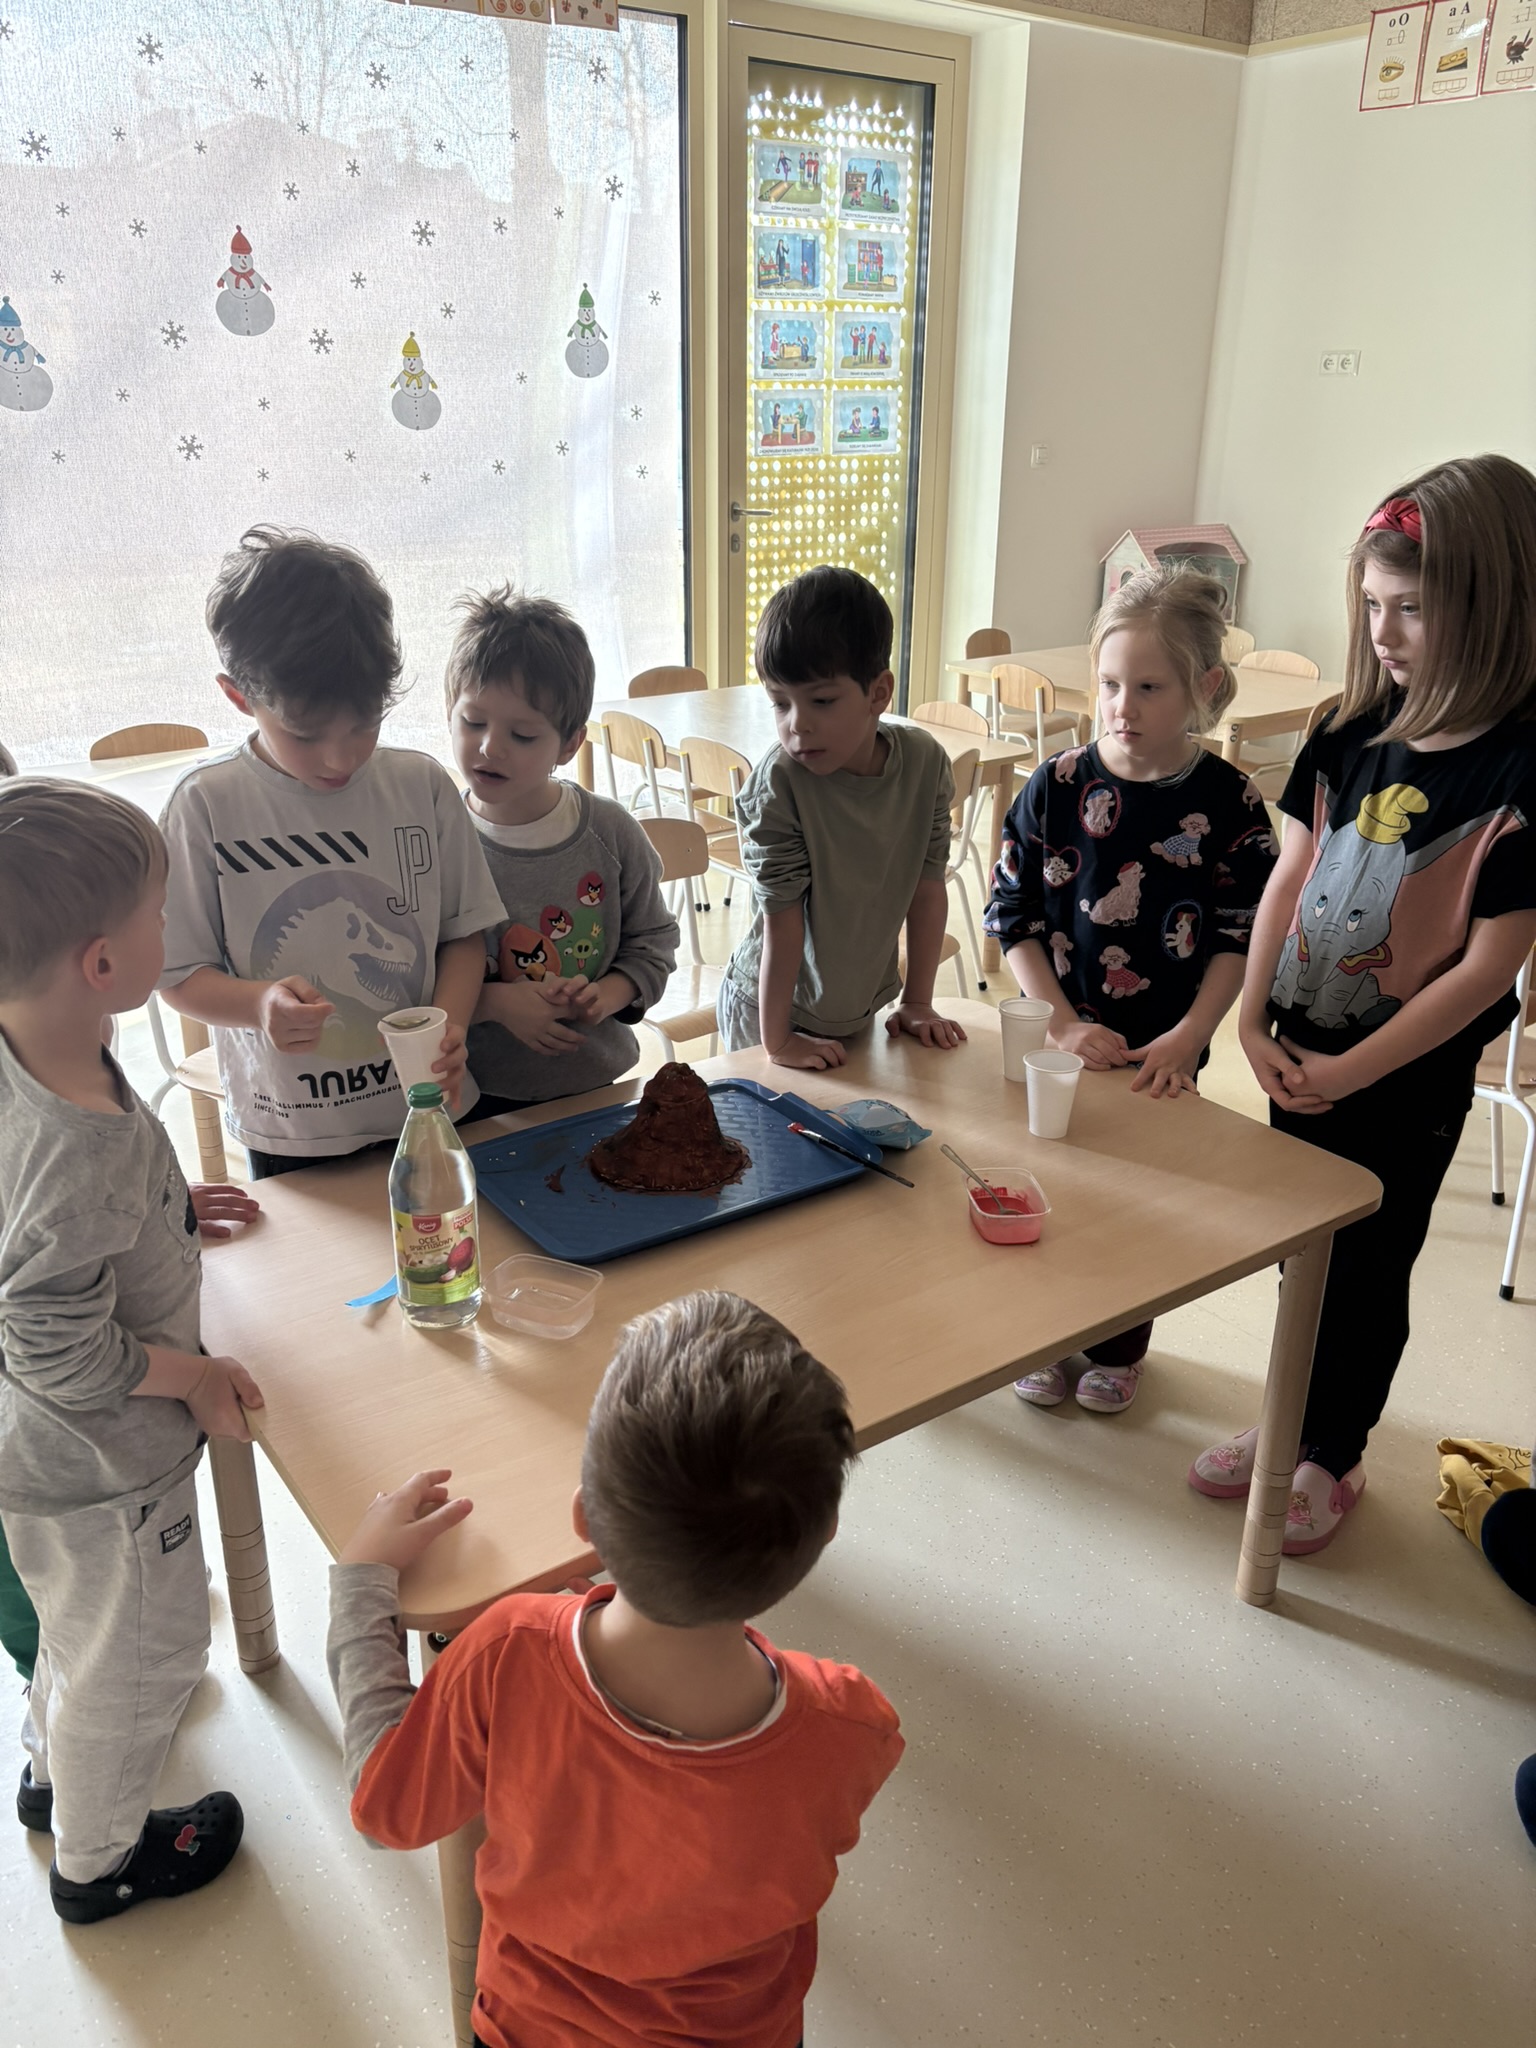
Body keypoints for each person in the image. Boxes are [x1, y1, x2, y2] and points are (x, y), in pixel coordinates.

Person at [327, 1291, 903, 2048]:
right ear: (825, 1532)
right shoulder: (852, 1722)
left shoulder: (507, 1653)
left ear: (583, 1520)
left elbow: (384, 1812)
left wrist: (361, 1583)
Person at [1191, 454, 1536, 1553]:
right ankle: (1286, 1421)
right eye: (1373, 603)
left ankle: (1331, 1454)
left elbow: (1487, 969)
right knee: (1301, 1258)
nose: (1383, 631)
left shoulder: (1521, 774)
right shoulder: (1348, 728)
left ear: (1496, 606)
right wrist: (1250, 1020)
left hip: (1401, 1083)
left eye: (1414, 609)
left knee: (1368, 1272)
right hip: (1297, 1054)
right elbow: (1287, 877)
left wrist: (1352, 1069)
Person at [0, 780, 265, 1921]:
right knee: (142, 1661)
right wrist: (194, 1376)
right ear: (103, 963)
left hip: (46, 1464)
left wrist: (164, 1209)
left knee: (81, 1633)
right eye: (161, 913)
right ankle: (98, 1862)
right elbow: (53, 1342)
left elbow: (49, 1232)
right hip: (106, 1470)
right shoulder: (77, 1154)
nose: (173, 927)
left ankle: (52, 1781)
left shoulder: (38, 1040)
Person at [986, 568, 1277, 1413]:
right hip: (1062, 1046)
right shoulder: (1056, 784)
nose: (1123, 706)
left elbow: (1240, 933)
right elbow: (1011, 915)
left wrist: (1192, 1035)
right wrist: (1061, 1025)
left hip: (1164, 1049)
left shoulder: (1230, 800)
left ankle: (1121, 1344)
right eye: (1111, 684)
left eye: (1149, 688)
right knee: (1054, 1184)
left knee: (1142, 1201)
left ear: (1203, 688)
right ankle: (1045, 1333)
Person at [157, 526, 504, 1179]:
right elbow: (176, 974)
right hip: (291, 1129)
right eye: (305, 734)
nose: (340, 758)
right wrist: (258, 1005)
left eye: (365, 724)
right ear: (239, 697)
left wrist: (449, 1028)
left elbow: (463, 936)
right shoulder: (204, 807)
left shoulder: (422, 786)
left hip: (432, 1107)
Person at [719, 566, 967, 1069]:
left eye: (822, 700)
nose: (798, 725)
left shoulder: (925, 763)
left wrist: (918, 1002)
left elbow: (927, 889)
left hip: (855, 1007)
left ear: (878, 693)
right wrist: (777, 1042)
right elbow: (782, 922)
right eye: (780, 703)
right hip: (772, 1013)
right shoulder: (780, 783)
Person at [445, 588, 678, 1119]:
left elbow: (655, 941)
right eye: (473, 722)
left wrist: (609, 995)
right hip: (479, 1100)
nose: (490, 747)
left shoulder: (610, 832)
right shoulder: (437, 838)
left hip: (598, 1085)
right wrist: (495, 1003)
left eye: (523, 734)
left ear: (570, 744)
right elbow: (412, 979)